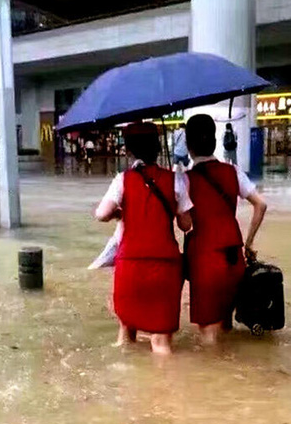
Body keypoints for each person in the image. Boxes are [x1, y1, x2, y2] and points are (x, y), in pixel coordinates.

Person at [95, 122, 193, 355]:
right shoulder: (175, 180)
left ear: (128, 151)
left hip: (130, 266)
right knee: (161, 345)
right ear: (158, 148)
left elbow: (101, 214)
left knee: (125, 337)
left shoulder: (122, 180)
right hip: (164, 268)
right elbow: (186, 225)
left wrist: (120, 213)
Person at [185, 114, 267, 345]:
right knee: (226, 325)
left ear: (188, 145)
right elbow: (261, 204)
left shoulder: (185, 180)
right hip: (234, 259)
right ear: (215, 140)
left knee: (208, 337)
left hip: (205, 261)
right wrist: (249, 243)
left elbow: (184, 223)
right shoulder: (233, 172)